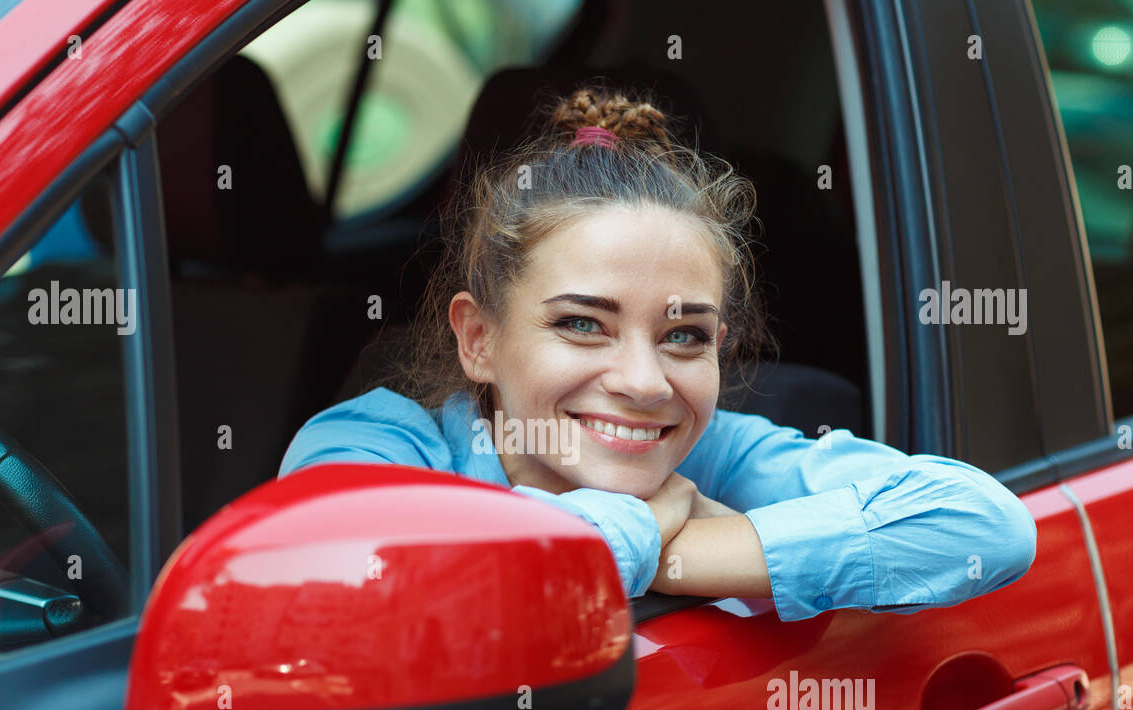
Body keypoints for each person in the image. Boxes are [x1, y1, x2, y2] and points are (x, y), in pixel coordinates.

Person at [279, 88, 1036, 622]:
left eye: (683, 336)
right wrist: (653, 518)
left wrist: (683, 551)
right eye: (582, 324)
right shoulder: (363, 443)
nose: (644, 383)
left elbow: (984, 525)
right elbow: (388, 597)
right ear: (479, 338)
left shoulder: (720, 452)